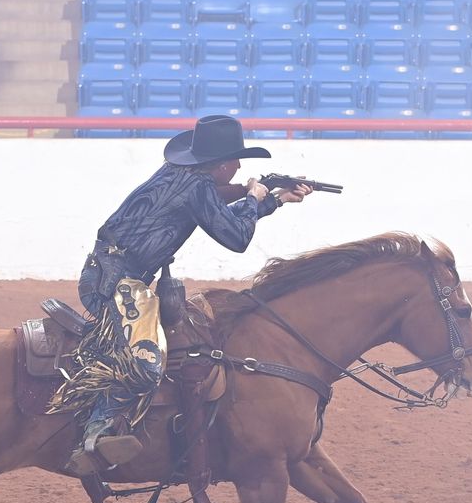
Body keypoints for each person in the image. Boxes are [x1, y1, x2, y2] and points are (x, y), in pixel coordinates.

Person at [50, 115, 313, 476]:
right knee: (145, 364)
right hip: (117, 281)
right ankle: (97, 431)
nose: (238, 168)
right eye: (235, 162)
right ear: (220, 165)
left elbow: (221, 217)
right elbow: (236, 237)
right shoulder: (197, 188)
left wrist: (273, 200)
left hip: (111, 273)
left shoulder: (186, 178)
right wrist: (254, 196)